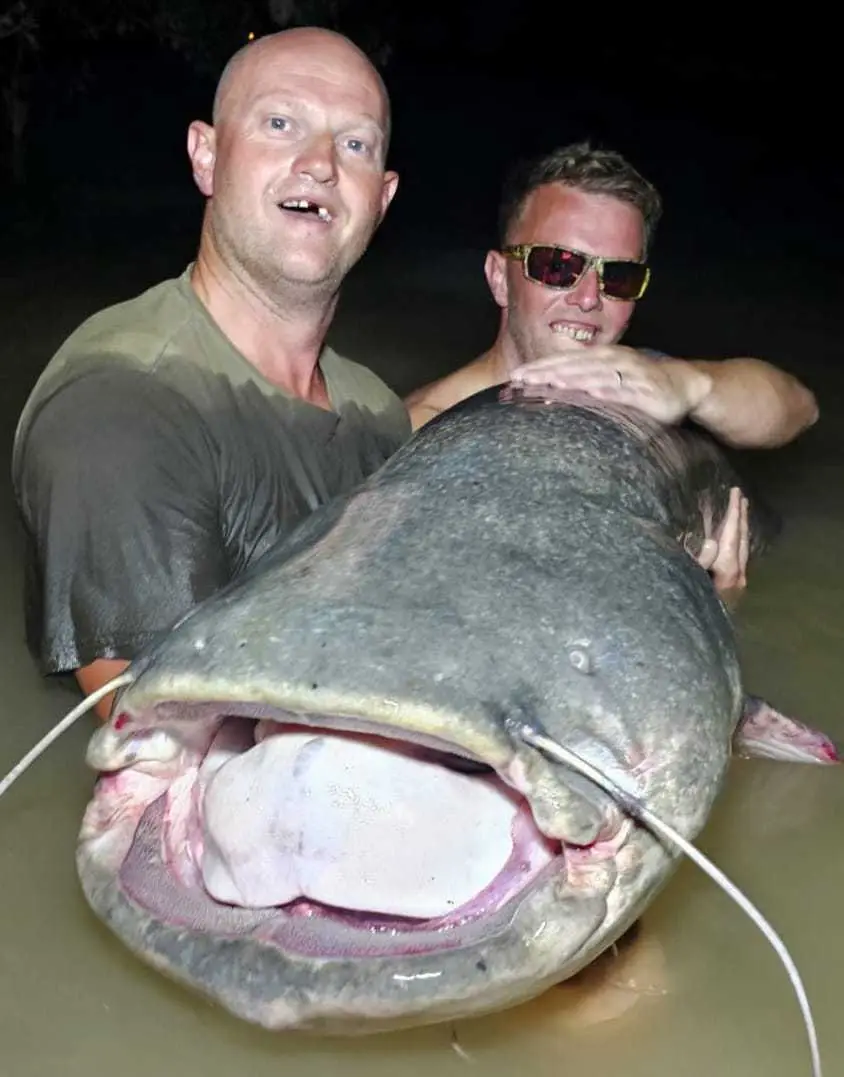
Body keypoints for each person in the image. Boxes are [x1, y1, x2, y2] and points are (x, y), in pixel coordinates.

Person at [12, 27, 407, 719]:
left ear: (383, 196)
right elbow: (172, 737)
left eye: (356, 144)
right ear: (206, 155)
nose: (319, 164)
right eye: (280, 123)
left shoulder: (377, 410)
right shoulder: (122, 400)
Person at [404, 142, 819, 597]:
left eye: (618, 277)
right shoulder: (418, 437)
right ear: (500, 278)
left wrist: (692, 385)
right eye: (557, 266)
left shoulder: (644, 380)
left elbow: (798, 409)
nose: (588, 298)